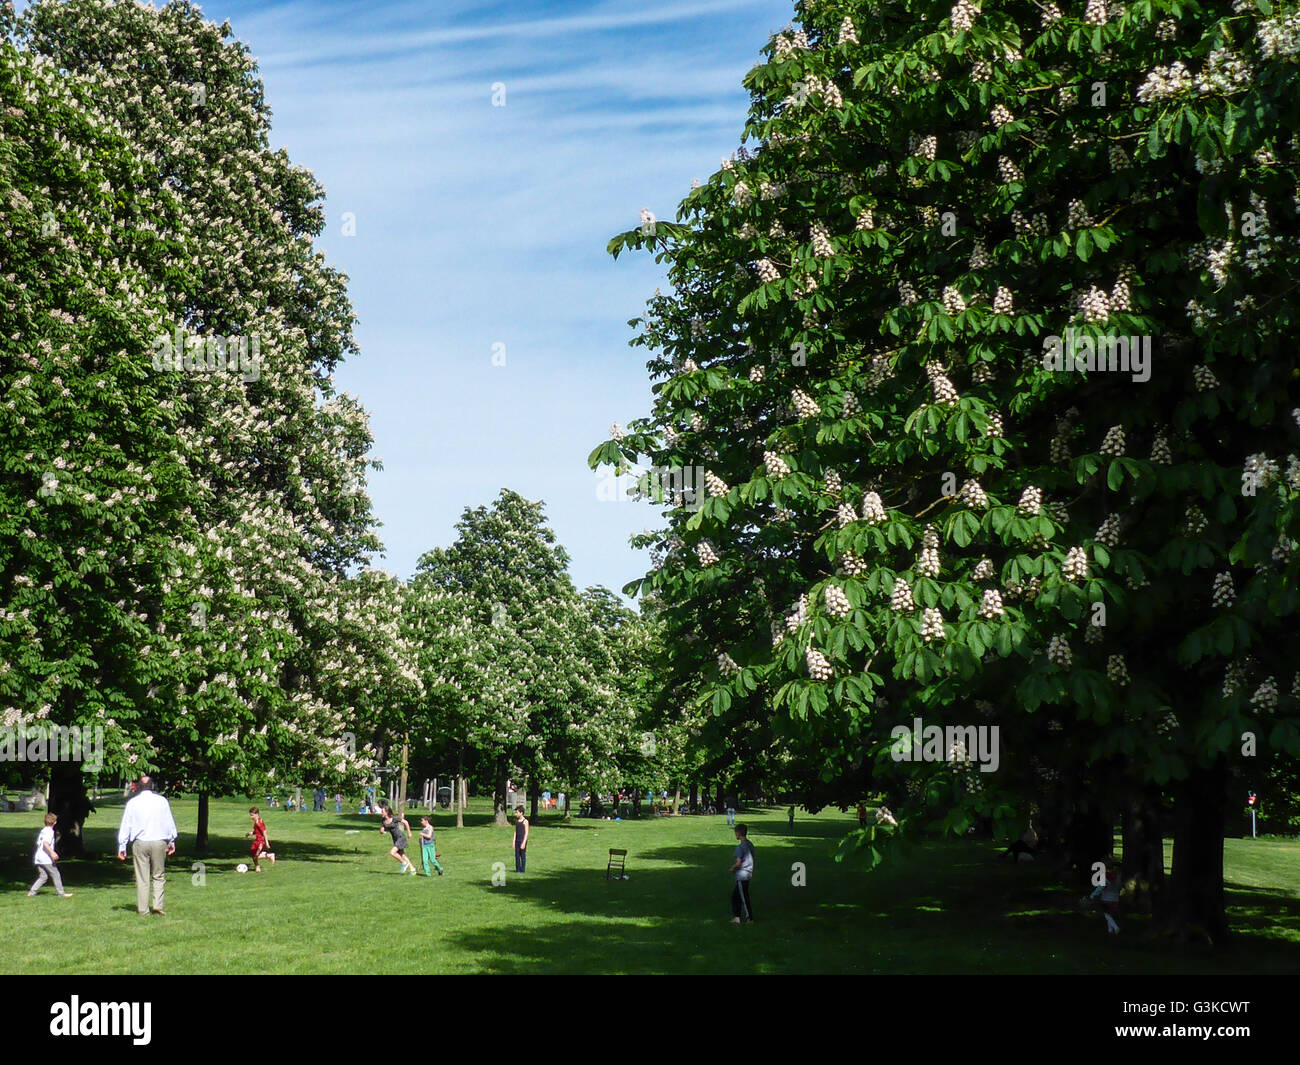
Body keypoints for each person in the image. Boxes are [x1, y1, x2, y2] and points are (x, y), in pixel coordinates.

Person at [116, 775, 177, 916]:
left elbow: (126, 825)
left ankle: (143, 909)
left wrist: (122, 846)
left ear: (138, 787)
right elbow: (169, 822)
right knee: (158, 875)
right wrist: (172, 841)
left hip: (140, 843)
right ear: (152, 786)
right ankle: (158, 905)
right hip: (159, 842)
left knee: (142, 877)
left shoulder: (132, 803)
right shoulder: (162, 801)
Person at [28, 813, 72, 898]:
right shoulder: (49, 832)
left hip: (38, 857)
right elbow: (45, 844)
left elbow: (39, 843)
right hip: (45, 858)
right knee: (55, 874)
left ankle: (32, 892)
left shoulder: (43, 830)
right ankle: (61, 893)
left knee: (43, 877)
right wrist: (52, 852)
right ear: (55, 822)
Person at [729, 823, 755, 924]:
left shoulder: (740, 847)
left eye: (735, 833)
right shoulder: (750, 844)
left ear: (738, 834)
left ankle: (749, 918)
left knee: (743, 897)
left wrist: (732, 868)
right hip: (748, 873)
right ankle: (737, 917)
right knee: (736, 896)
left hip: (742, 875)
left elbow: (739, 863)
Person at [379, 805, 417, 875]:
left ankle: (404, 863)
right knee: (402, 854)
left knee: (392, 852)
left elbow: (405, 822)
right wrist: (381, 831)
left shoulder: (394, 819)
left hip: (400, 837)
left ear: (387, 812)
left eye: (382, 811)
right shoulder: (383, 821)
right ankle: (412, 869)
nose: (381, 813)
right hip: (395, 839)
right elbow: (382, 829)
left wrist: (409, 832)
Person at [1084, 863, 1121, 934]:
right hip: (1115, 899)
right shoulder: (1117, 877)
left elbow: (1100, 888)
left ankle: (1116, 928)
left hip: (1106, 899)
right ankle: (1110, 931)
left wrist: (1092, 896)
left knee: (1106, 914)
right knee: (1109, 914)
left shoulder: (1106, 877)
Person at [245, 807, 276, 872]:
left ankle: (269, 855)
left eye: (252, 815)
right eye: (250, 815)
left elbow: (264, 832)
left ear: (257, 814)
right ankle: (257, 867)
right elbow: (257, 831)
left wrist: (266, 842)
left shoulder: (259, 822)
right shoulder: (256, 821)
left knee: (256, 855)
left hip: (260, 841)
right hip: (257, 840)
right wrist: (250, 833)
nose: (251, 817)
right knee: (253, 854)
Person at [513, 805, 529, 873]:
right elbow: (515, 831)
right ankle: (517, 870)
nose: (516, 814)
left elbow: (526, 833)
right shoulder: (517, 821)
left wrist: (524, 842)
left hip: (522, 840)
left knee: (522, 856)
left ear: (521, 813)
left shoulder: (525, 821)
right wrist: (513, 841)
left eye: (517, 812)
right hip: (517, 840)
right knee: (517, 856)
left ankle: (522, 870)